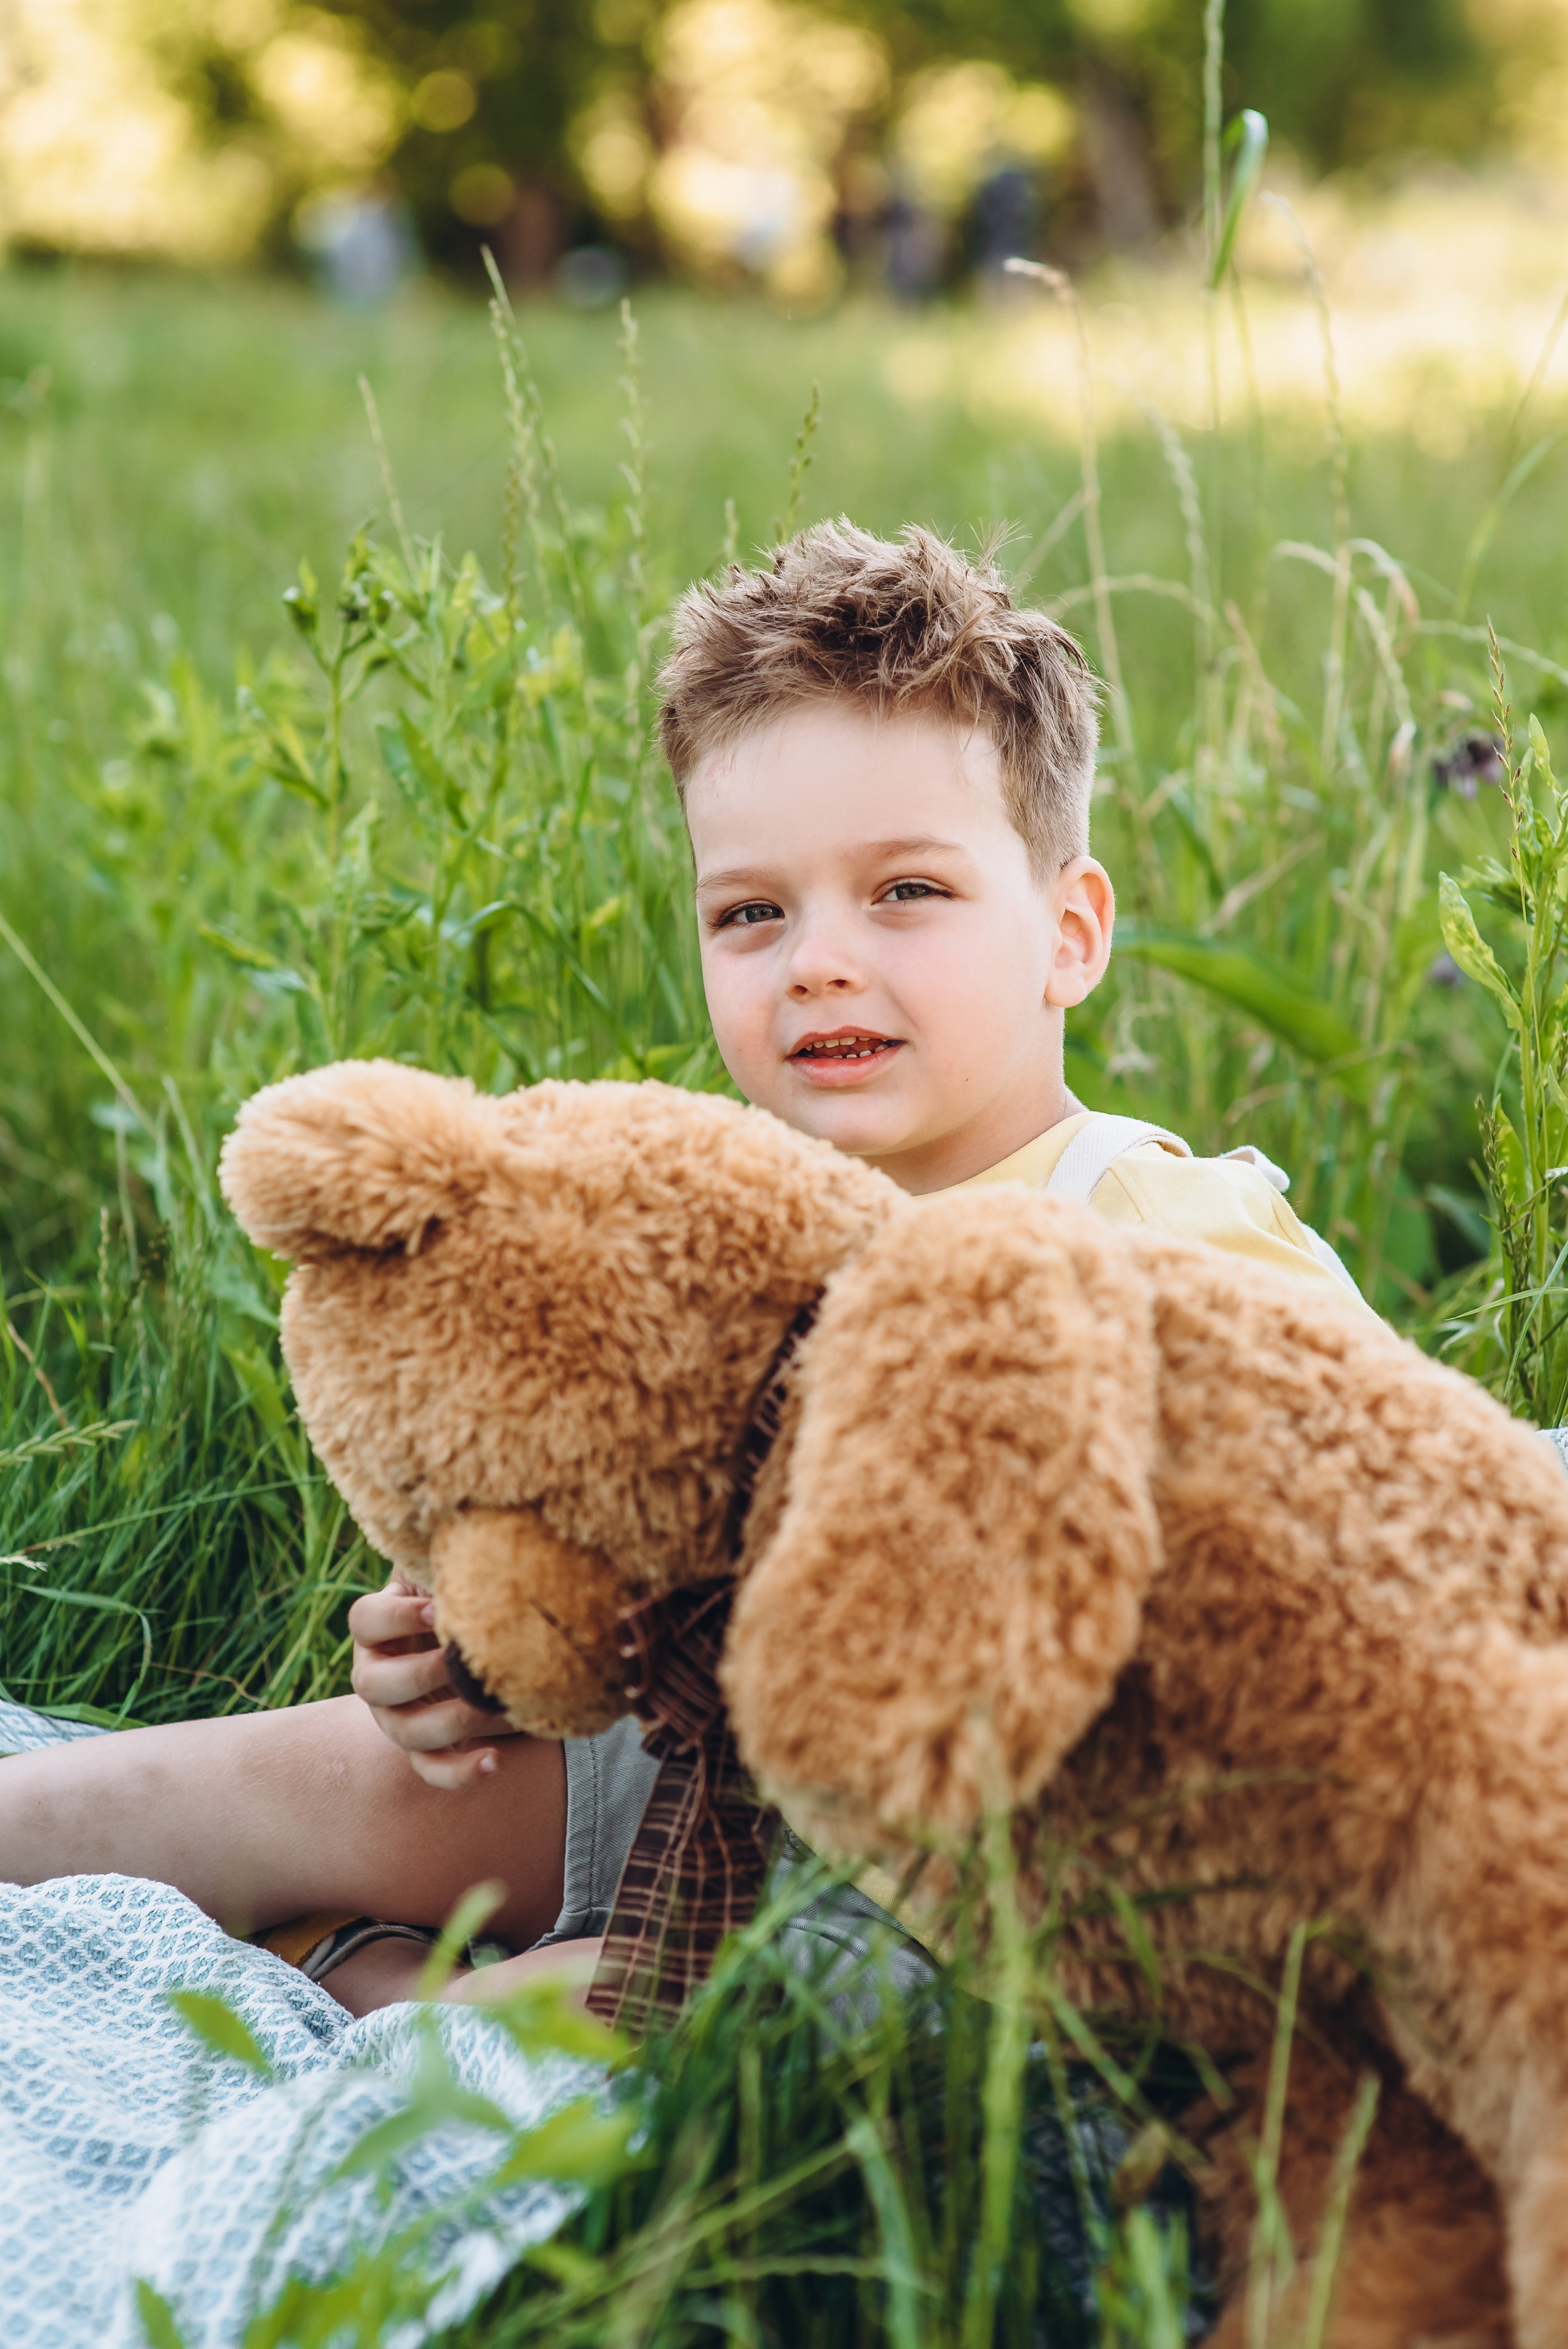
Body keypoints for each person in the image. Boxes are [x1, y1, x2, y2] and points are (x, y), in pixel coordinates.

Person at [0, 521, 1363, 2015]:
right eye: (751, 913)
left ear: (1067, 932)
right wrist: (467, 1646)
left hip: (962, 1878)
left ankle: (361, 1985)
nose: (817, 962)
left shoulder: (1148, 1221)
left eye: (905, 891)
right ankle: (225, 1891)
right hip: (691, 1756)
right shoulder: (722, 1249)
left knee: (657, 2013)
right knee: (255, 1786)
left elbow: (1338, 1555)